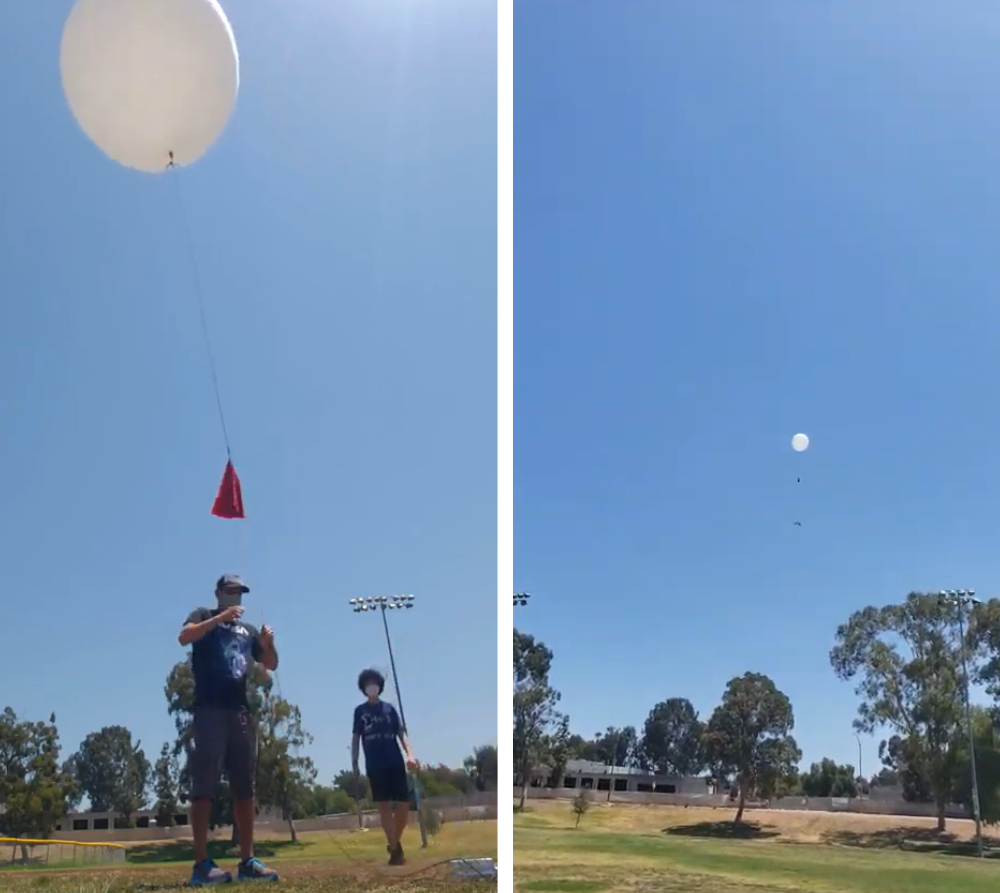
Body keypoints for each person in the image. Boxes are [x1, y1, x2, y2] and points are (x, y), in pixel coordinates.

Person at [179, 574, 280, 885]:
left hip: (240, 712)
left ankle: (247, 861)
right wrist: (219, 619)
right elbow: (184, 637)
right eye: (231, 591)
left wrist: (268, 643)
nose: (236, 597)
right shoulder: (203, 615)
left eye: (240, 593)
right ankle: (201, 865)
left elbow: (270, 663)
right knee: (204, 787)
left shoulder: (247, 630)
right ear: (218, 592)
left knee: (244, 789)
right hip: (209, 710)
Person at [351, 668, 418, 866]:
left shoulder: (389, 709)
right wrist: (354, 761)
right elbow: (356, 738)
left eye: (374, 683)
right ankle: (395, 848)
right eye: (368, 683)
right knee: (384, 805)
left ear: (380, 686)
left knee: (404, 804)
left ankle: (394, 842)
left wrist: (410, 755)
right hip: (375, 764)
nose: (371, 686)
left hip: (395, 761)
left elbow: (402, 734)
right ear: (363, 688)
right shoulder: (360, 712)